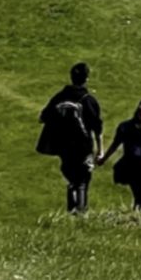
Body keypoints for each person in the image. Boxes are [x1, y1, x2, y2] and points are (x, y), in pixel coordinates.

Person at [37, 62, 103, 213]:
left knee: (72, 177)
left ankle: (71, 210)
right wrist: (100, 150)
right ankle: (80, 212)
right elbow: (97, 127)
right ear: (86, 79)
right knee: (83, 180)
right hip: (83, 146)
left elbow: (42, 117)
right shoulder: (88, 100)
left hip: (64, 147)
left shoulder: (60, 97)